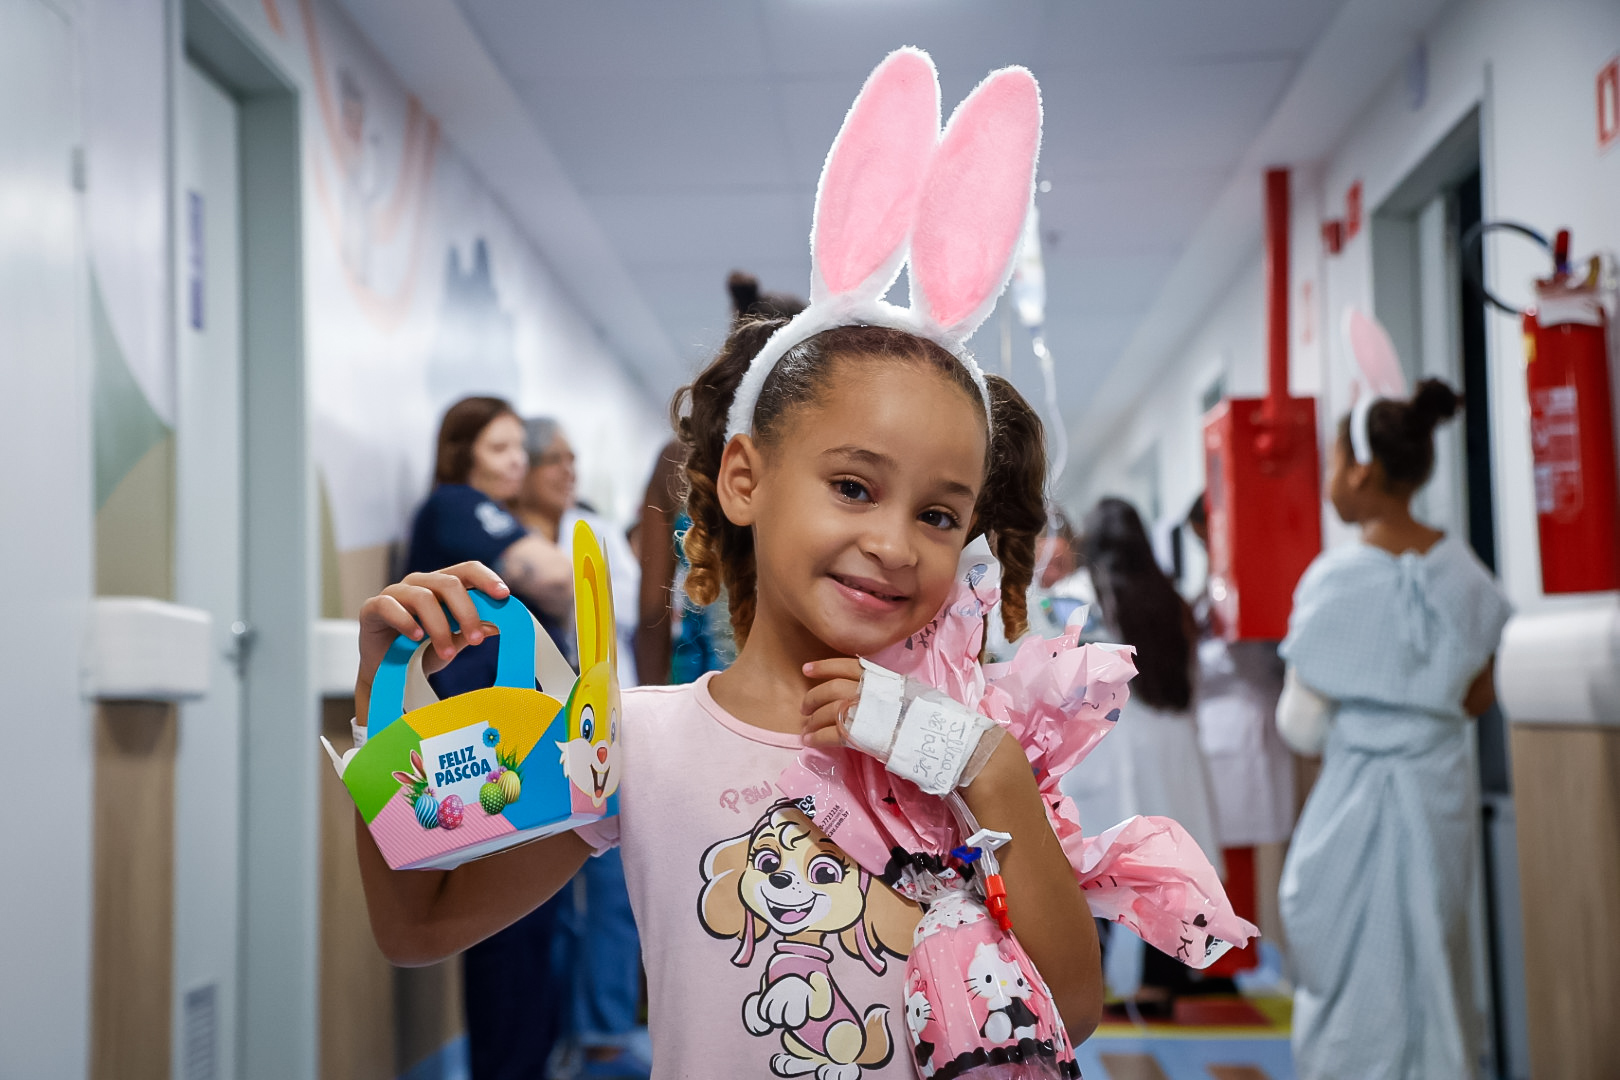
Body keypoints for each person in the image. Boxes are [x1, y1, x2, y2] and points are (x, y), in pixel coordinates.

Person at [1277, 380, 1509, 1080]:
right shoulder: (1465, 573)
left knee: (1351, 952)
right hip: (1439, 789)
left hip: (1353, 794)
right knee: (1435, 945)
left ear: (1362, 471)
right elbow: (1481, 692)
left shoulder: (1334, 580)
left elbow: (1301, 725)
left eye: (1331, 463)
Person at [402, 396, 575, 1080]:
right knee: (508, 925)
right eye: (499, 448)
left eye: (518, 451)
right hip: (484, 750)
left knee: (533, 919)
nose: (516, 463)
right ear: (462, 453)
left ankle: (528, 1062)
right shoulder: (457, 506)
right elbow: (558, 579)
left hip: (519, 745)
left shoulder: (491, 519)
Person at [515, 415, 649, 1080]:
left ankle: (602, 1030)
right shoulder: (505, 540)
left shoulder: (590, 533)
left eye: (573, 460)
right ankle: (555, 1033)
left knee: (609, 882)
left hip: (600, 728)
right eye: (554, 460)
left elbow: (621, 611)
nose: (568, 472)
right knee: (537, 893)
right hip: (531, 736)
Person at [1060, 497, 1222, 1008]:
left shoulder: (1079, 598)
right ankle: (1159, 980)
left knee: (1094, 862)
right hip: (1172, 746)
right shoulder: (1170, 599)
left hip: (1109, 744)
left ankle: (1091, 977)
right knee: (1167, 866)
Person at [634, 272, 801, 686]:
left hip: (695, 685)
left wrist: (645, 703)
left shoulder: (676, 458)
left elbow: (652, 611)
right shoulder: (813, 461)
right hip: (796, 689)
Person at [1185, 493, 1293, 979]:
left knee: (1241, 852)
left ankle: (1239, 961)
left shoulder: (1252, 580)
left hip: (1246, 730)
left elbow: (1248, 661)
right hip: (1224, 733)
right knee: (1225, 851)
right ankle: (1229, 961)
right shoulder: (1216, 586)